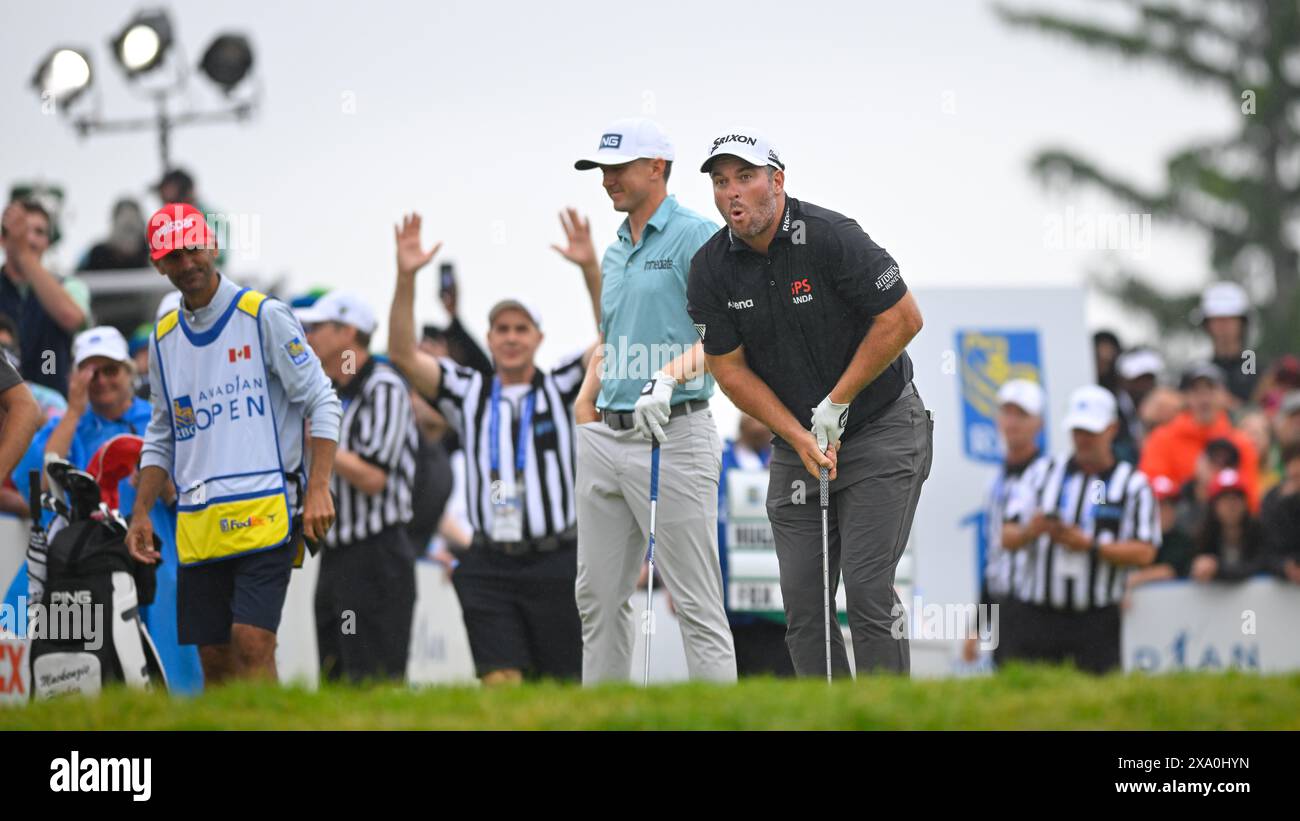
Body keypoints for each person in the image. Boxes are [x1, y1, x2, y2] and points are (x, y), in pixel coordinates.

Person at [687, 128, 930, 677]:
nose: (732, 193)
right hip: (797, 445)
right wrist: (797, 435)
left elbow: (903, 318)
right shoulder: (709, 269)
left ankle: (882, 719)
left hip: (882, 427)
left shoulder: (829, 236)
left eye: (745, 178)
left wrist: (838, 401)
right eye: (721, 182)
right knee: (802, 605)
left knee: (868, 591)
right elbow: (728, 368)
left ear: (777, 180)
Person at [125, 203, 341, 685]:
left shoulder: (263, 315)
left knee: (252, 642)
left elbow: (323, 401)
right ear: (158, 264)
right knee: (215, 659)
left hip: (267, 513)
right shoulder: (162, 338)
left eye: (194, 250)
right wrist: (140, 512)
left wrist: (319, 488)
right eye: (173, 256)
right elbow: (162, 432)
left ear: (213, 246)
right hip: (199, 524)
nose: (187, 264)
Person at [558, 117, 737, 684]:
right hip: (605, 437)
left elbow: (730, 336)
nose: (607, 179)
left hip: (675, 432)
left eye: (619, 168)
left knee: (695, 602)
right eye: (601, 169)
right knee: (598, 600)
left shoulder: (698, 234)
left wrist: (668, 377)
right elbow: (612, 339)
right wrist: (586, 407)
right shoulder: (614, 251)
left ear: (657, 168)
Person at [387, 213, 594, 684]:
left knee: (561, 690)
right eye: (501, 328)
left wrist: (590, 271)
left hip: (556, 560)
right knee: (501, 685)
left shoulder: (563, 384)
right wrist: (406, 277)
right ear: (488, 338)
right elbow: (402, 354)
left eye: (522, 328)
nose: (511, 337)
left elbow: (614, 340)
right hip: (488, 562)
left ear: (539, 338)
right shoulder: (468, 390)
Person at [18, 326, 203, 692]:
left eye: (110, 370)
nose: (101, 381)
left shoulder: (162, 419)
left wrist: (163, 488)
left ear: (129, 372)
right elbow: (39, 485)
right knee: (97, 660)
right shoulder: (68, 425)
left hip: (159, 553)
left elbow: (196, 491)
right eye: (90, 373)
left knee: (170, 649)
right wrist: (73, 410)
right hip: (90, 563)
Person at [299, 290, 420, 683]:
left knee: (374, 676)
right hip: (337, 555)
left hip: (376, 555)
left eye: (317, 327)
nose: (308, 335)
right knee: (335, 672)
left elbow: (373, 477)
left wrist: (317, 440)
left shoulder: (383, 386)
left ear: (348, 332)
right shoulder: (331, 392)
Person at [1000, 386, 1159, 674]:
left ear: (1112, 429)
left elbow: (1145, 552)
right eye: (1077, 430)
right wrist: (1031, 531)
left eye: (1090, 431)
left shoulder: (1133, 484)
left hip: (1095, 621)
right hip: (1035, 616)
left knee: (1095, 713)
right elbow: (1007, 537)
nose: (1082, 439)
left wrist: (1089, 546)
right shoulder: (1042, 472)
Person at [964, 379, 1049, 668]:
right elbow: (994, 560)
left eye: (1022, 415)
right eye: (1007, 413)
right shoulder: (995, 481)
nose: (1012, 422)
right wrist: (978, 624)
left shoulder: (1048, 477)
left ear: (1038, 423)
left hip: (1040, 607)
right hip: (1003, 606)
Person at [716, 413, 793, 677]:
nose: (760, 419)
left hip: (777, 608)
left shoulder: (787, 463)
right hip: (724, 603)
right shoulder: (717, 461)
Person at [1139, 363, 1260, 511]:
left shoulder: (1241, 444)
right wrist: (1193, 488)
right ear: (1186, 397)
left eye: (1211, 390)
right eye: (1196, 391)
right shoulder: (1162, 439)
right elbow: (1150, 489)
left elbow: (1251, 499)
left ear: (1224, 395)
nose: (1204, 399)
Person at [0, 199, 91, 395]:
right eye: (23, 231)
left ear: (47, 243)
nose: (29, 239)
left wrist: (24, 255)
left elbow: (72, 318)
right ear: (2, 239)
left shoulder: (70, 286)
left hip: (55, 416)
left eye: (39, 232)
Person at [1189, 469, 1270, 583]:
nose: (1231, 506)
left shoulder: (1259, 531)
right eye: (1225, 499)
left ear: (1245, 503)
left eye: (1236, 498)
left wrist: (1217, 569)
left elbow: (1261, 564)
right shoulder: (1203, 535)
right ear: (1214, 506)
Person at [1125, 475, 1196, 594]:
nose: (1166, 511)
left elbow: (1168, 571)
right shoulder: (1133, 537)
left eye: (1171, 505)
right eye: (1159, 505)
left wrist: (1134, 579)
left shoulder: (1184, 541)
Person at [1197, 282, 1256, 406]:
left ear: (1242, 323)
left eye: (1230, 318)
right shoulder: (1197, 371)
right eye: (1217, 319)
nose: (1223, 325)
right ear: (1207, 324)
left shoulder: (1257, 368)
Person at [78, 198, 150, 271]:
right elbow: (76, 278)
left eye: (133, 230)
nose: (129, 239)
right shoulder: (97, 255)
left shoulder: (151, 255)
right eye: (124, 229)